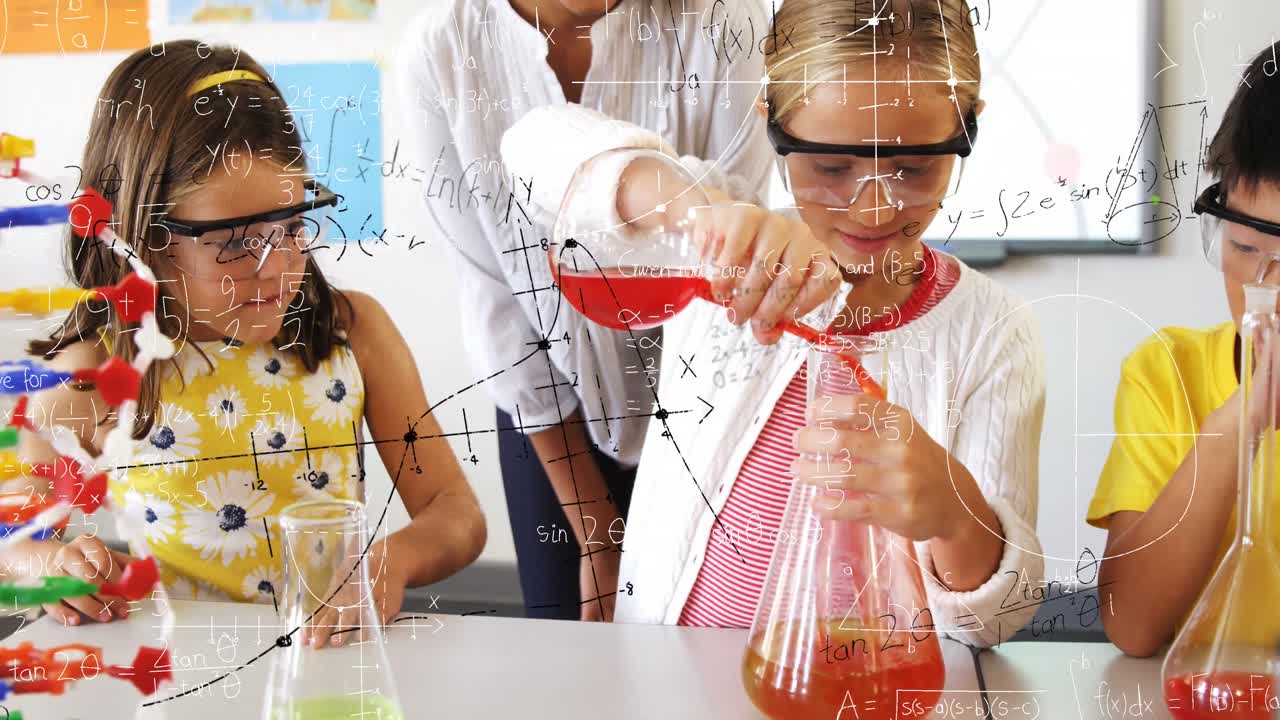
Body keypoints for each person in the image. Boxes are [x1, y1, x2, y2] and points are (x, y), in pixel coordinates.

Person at [504, 0, 1046, 646]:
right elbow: (531, 147)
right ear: (774, 122)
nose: (872, 208)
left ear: (967, 128)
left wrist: (956, 517)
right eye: (831, 167)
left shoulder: (993, 334)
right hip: (668, 688)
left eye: (912, 168)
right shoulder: (722, 253)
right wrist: (696, 214)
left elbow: (996, 622)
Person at [3, 41, 487, 646]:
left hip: (327, 669)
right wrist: (50, 563)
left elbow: (456, 511)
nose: (278, 265)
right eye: (234, 241)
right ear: (142, 237)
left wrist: (394, 562)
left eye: (290, 226)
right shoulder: (93, 366)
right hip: (185, 679)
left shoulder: (353, 331)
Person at [397, 0, 776, 621]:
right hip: (545, 413)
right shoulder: (443, 50)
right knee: (566, 640)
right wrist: (597, 533)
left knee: (695, 642)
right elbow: (495, 296)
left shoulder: (726, 22)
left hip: (700, 404)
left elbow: (724, 248)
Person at [1089, 42, 1280, 658]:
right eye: (1246, 249)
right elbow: (1132, 626)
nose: (1265, 291)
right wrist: (1238, 422)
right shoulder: (1169, 373)